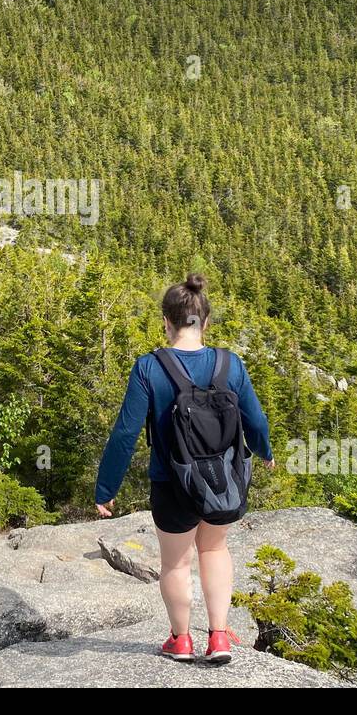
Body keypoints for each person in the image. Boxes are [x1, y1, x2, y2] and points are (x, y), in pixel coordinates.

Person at [94, 274, 274, 663]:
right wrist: (264, 451)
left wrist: (105, 488)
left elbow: (125, 433)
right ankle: (220, 637)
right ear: (205, 323)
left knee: (175, 562)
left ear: (167, 323)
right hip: (223, 481)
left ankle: (180, 640)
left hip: (171, 482)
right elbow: (256, 422)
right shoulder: (230, 363)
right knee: (214, 548)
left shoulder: (149, 367)